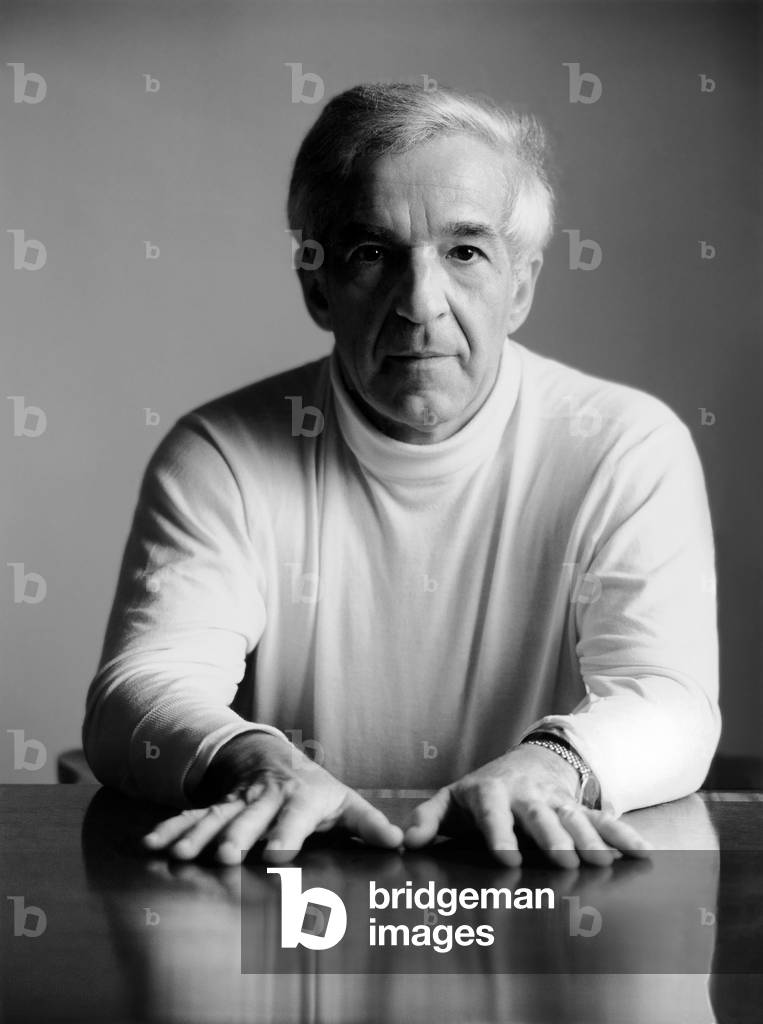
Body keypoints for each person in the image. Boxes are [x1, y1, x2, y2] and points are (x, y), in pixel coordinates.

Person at [82, 82, 720, 869]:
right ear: (317, 286)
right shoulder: (220, 454)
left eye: (464, 252)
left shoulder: (626, 446)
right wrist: (256, 761)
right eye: (372, 254)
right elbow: (138, 691)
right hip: (298, 884)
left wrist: (555, 766)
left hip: (528, 879)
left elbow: (670, 700)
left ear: (519, 285)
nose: (420, 304)